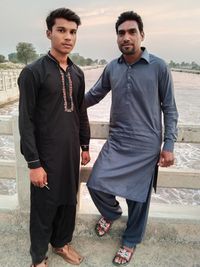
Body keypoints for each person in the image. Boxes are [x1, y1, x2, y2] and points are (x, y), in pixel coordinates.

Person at [85, 11, 178, 266]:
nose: (126, 37)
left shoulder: (158, 66)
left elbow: (169, 108)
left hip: (146, 145)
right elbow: (94, 95)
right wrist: (66, 105)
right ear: (117, 38)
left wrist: (168, 145)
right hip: (117, 141)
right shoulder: (112, 67)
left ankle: (130, 240)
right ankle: (112, 212)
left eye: (131, 32)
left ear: (141, 35)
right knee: (95, 183)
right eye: (121, 33)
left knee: (138, 199)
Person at [18, 8, 90, 267]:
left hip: (70, 155)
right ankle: (38, 259)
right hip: (45, 156)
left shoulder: (77, 73)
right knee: (43, 210)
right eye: (61, 30)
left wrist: (85, 144)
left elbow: (81, 111)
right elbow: (25, 120)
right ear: (49, 33)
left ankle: (61, 244)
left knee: (68, 202)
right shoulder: (33, 72)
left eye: (72, 32)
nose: (67, 37)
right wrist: (34, 163)